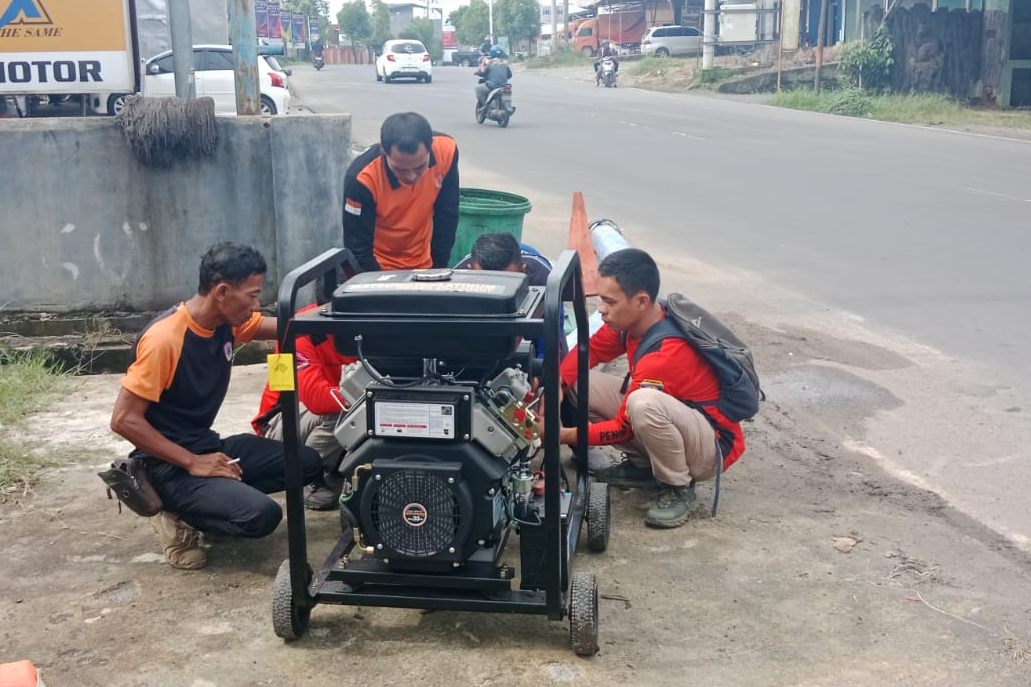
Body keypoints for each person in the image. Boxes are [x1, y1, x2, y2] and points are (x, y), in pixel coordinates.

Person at [110, 242, 323, 570]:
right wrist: (192, 461)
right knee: (262, 516)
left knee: (306, 462)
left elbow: (287, 325)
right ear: (222, 292)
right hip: (166, 465)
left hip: (206, 446)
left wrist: (337, 317)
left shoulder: (226, 321)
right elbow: (123, 420)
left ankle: (217, 502)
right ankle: (176, 516)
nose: (257, 303)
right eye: (252, 295)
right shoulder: (165, 340)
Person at [549, 248, 745, 529]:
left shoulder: (665, 354)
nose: (601, 309)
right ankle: (643, 467)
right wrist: (557, 385)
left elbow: (624, 427)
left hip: (712, 446)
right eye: (600, 299)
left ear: (641, 301)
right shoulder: (634, 322)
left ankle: (677, 486)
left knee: (642, 404)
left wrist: (561, 435)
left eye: (609, 301)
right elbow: (589, 350)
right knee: (578, 382)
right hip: (680, 419)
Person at [253, 302, 355, 511]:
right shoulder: (301, 328)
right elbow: (317, 400)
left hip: (313, 416)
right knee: (343, 409)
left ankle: (333, 467)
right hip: (277, 421)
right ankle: (309, 477)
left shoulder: (362, 327)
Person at [342, 112, 460, 272]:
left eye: (419, 167)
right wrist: (378, 286)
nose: (411, 176)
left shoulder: (446, 150)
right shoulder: (362, 179)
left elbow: (447, 215)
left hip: (423, 264)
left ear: (431, 146)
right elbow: (358, 249)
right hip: (377, 267)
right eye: (400, 169)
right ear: (384, 149)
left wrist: (436, 270)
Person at [455, 231, 566, 360]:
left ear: (523, 271)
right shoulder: (457, 280)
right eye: (487, 282)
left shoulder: (543, 279)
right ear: (470, 271)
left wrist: (541, 373)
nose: (496, 293)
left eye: (505, 283)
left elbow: (549, 346)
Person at [475, 46, 513, 112]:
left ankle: (485, 106)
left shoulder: (490, 64)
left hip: (492, 86)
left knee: (478, 88)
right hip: (503, 86)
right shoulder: (505, 64)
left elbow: (483, 73)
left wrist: (478, 72)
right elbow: (509, 75)